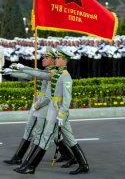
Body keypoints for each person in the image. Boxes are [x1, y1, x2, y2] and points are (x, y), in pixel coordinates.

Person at [15, 46, 89, 175]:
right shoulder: (56, 73)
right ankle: (84, 165)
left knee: (46, 138)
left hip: (58, 112)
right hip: (53, 110)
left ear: (65, 60)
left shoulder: (66, 76)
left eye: (59, 58)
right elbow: (42, 79)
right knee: (70, 139)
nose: (56, 60)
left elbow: (67, 98)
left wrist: (62, 114)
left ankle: (31, 166)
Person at [3, 47, 57, 166]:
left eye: (46, 57)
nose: (43, 59)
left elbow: (37, 75)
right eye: (43, 57)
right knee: (31, 130)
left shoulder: (52, 72)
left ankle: (28, 163)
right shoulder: (44, 71)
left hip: (43, 106)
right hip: (37, 104)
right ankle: (19, 157)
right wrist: (11, 72)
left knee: (52, 136)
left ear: (53, 60)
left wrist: (23, 67)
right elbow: (30, 75)